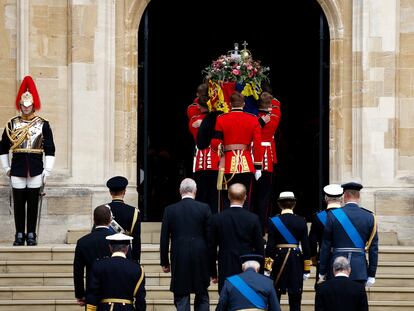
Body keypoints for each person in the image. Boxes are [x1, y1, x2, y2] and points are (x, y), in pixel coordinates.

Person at [0, 76, 56, 246]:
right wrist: (6, 167)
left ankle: (31, 233)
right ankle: (19, 233)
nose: (26, 108)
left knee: (33, 203)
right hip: (17, 168)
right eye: (23, 105)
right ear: (20, 106)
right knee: (18, 203)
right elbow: (3, 148)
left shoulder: (43, 124)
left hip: (36, 167)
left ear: (33, 105)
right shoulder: (11, 124)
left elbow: (50, 148)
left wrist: (47, 170)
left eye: (28, 105)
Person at [160, 178, 211, 311]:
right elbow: (210, 238)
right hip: (200, 255)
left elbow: (164, 238)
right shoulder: (204, 208)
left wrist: (164, 262)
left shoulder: (170, 210)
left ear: (179, 191)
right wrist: (212, 265)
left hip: (179, 254)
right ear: (195, 191)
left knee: (181, 295)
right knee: (202, 295)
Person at [319, 182, 378, 286]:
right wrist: (372, 273)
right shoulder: (369, 217)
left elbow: (326, 245)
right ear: (358, 196)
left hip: (336, 267)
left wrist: (322, 270)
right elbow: (373, 248)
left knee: (337, 301)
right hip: (359, 269)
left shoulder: (333, 215)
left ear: (344, 196)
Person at [211, 92, 263, 210]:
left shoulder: (221, 119)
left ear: (230, 104)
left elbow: (215, 143)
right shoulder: (253, 119)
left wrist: (220, 149)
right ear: (244, 104)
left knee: (227, 198)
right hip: (246, 164)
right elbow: (258, 144)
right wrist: (258, 167)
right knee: (244, 197)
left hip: (228, 164)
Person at [209, 183, 264, 292]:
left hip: (225, 266)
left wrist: (213, 273)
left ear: (228, 196)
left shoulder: (217, 218)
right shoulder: (253, 219)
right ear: (245, 197)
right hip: (247, 268)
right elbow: (260, 249)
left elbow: (211, 248)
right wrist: (260, 272)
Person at [265, 191, 311, 311]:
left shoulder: (273, 221)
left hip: (278, 260)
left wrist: (267, 268)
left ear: (279, 204)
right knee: (295, 299)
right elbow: (306, 247)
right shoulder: (301, 220)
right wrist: (307, 269)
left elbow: (270, 247)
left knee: (275, 298)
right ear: (294, 204)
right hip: (296, 261)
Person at [86, 233, 146, 311]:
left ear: (110, 248)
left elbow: (92, 295)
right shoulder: (137, 268)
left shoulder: (98, 265)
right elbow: (140, 299)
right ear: (127, 248)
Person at [73, 205, 113, 307]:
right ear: (110, 220)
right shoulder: (118, 239)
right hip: (115, 292)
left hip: (92, 291)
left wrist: (80, 294)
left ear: (94, 220)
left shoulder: (83, 242)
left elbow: (78, 271)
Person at [253, 92, 281, 235]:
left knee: (253, 195)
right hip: (267, 159)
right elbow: (277, 104)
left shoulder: (254, 117)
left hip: (253, 156)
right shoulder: (274, 115)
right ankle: (262, 227)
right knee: (264, 196)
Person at [188, 95, 220, 214]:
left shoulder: (194, 120)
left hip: (200, 163)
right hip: (214, 160)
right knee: (213, 196)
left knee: (201, 195)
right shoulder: (216, 119)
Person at [216, 254, 281, 311]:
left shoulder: (230, 282)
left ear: (243, 267)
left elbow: (221, 305)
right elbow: (276, 308)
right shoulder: (268, 282)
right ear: (258, 268)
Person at [308, 184, 343, 285]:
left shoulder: (318, 217)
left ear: (326, 198)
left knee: (322, 289)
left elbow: (313, 240)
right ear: (341, 199)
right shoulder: (347, 217)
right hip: (344, 257)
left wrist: (314, 257)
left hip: (324, 257)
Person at [106, 176, 141, 262]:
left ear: (110, 192)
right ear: (124, 191)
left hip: (106, 253)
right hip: (126, 254)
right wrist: (135, 260)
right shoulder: (134, 212)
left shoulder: (104, 210)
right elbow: (136, 239)